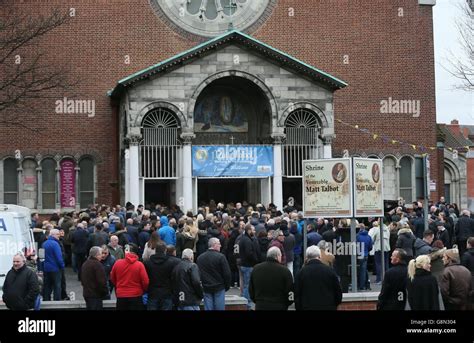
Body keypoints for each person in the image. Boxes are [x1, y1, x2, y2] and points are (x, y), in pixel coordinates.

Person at [294, 246, 342, 310]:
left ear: (307, 257)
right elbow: (338, 292)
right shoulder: (330, 271)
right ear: (320, 256)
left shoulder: (301, 273)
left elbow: (297, 295)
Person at [110, 244, 149, 310]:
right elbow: (145, 281)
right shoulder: (139, 265)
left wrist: (118, 286)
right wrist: (143, 290)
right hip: (136, 295)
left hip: (121, 295)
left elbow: (112, 278)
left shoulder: (117, 263)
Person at [144, 241, 181, 310]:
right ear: (165, 250)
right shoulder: (171, 263)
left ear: (155, 250)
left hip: (152, 293)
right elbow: (174, 278)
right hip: (167, 293)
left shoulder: (147, 263)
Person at [196, 237, 231, 310]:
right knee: (219, 308)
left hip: (206, 287)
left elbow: (198, 273)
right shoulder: (221, 257)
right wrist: (226, 286)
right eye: (219, 244)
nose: (220, 245)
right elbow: (227, 273)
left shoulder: (200, 258)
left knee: (208, 308)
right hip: (219, 287)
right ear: (214, 245)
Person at [238, 223, 260, 310]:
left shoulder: (244, 239)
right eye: (253, 230)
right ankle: (246, 303)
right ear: (248, 230)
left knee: (246, 284)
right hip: (248, 265)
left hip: (245, 264)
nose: (254, 231)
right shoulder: (247, 240)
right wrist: (256, 260)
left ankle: (245, 302)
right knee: (247, 285)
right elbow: (249, 253)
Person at [42, 228, 65, 301]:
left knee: (47, 286)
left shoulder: (44, 243)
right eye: (57, 234)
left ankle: (46, 300)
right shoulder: (55, 244)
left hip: (46, 268)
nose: (59, 236)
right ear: (53, 235)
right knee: (57, 286)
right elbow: (59, 257)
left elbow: (41, 257)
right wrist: (62, 266)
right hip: (55, 268)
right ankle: (57, 302)